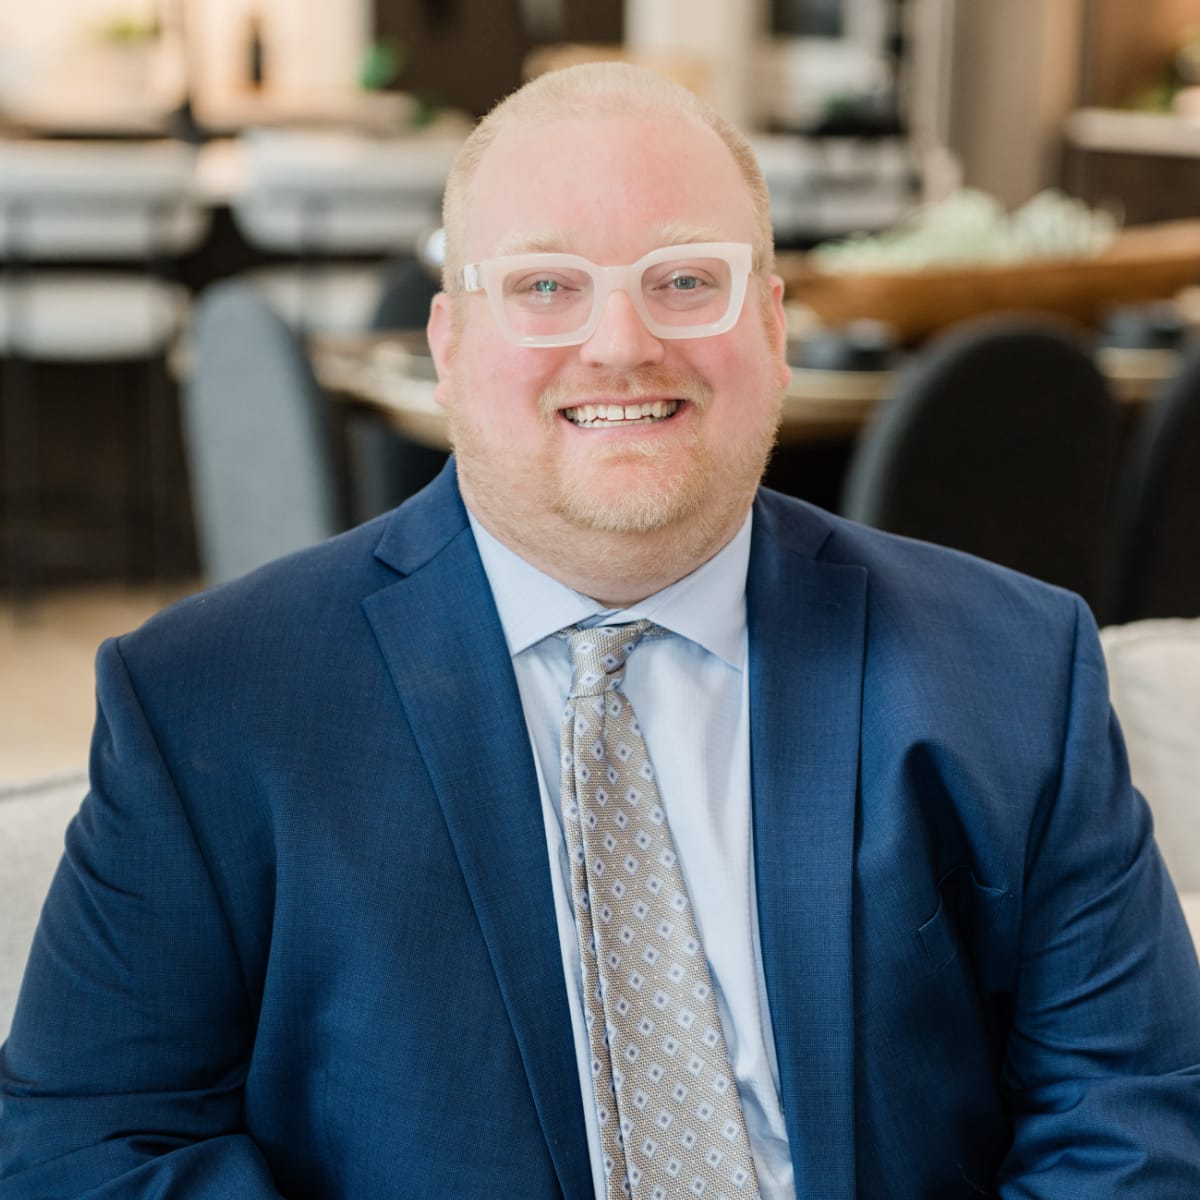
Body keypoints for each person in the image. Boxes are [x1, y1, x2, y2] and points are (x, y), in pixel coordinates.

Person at [2, 62, 1199, 1200]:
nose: (622, 342)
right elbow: (86, 1144)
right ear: (450, 344)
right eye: (544, 285)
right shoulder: (213, 701)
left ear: (775, 330)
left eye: (687, 280)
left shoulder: (1014, 667)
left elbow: (1135, 1115)